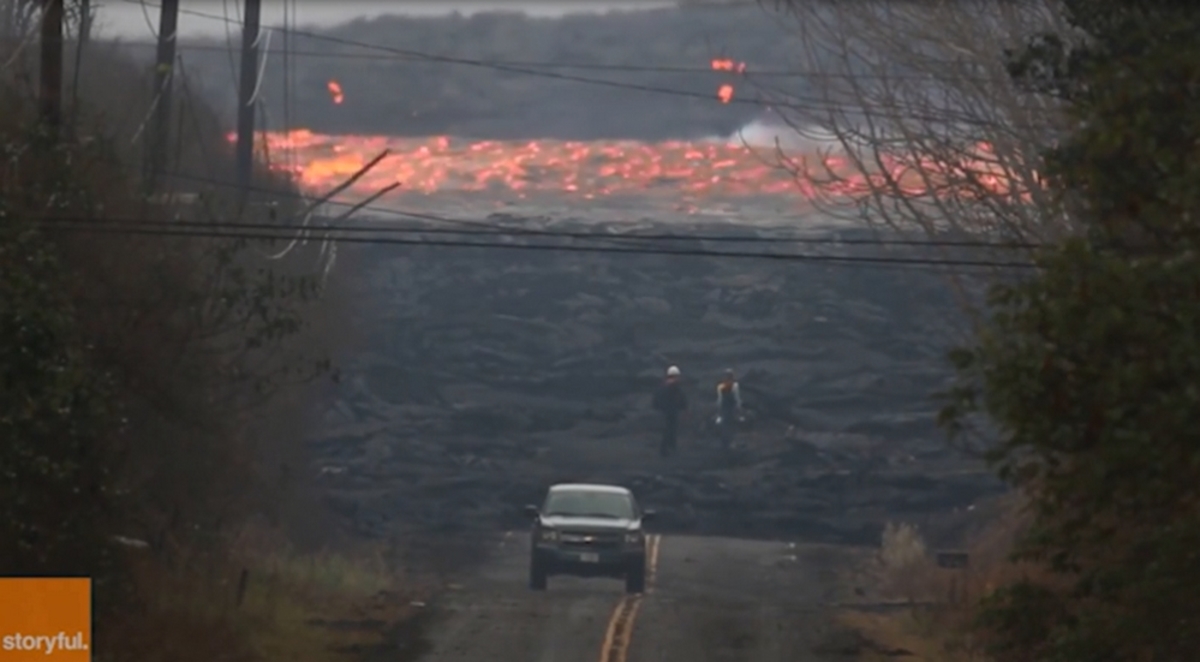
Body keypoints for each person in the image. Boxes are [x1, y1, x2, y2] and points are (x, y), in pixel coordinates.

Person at [652, 365, 688, 457]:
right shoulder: (674, 387)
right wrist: (683, 407)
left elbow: (656, 400)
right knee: (669, 430)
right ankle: (667, 449)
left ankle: (669, 449)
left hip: (666, 411)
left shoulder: (662, 386)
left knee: (669, 430)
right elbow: (681, 399)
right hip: (670, 411)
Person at [715, 368, 743, 449]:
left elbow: (736, 398)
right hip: (728, 408)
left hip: (729, 408)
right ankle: (727, 443)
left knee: (729, 426)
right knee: (728, 426)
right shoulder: (724, 387)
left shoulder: (731, 386)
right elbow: (721, 400)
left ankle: (728, 442)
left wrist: (738, 408)